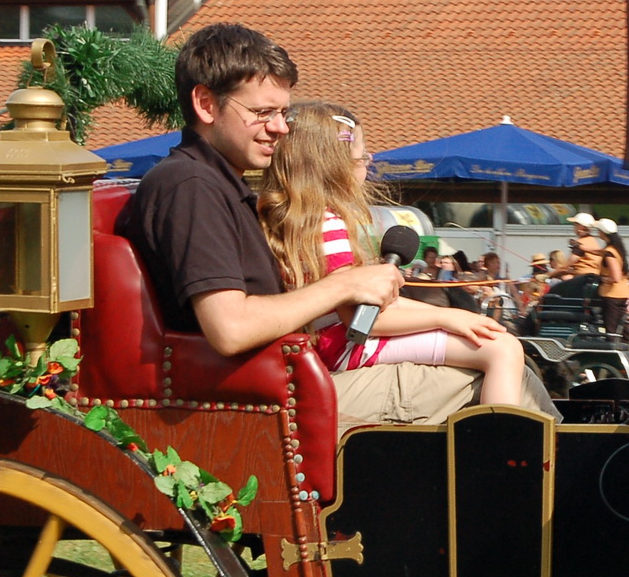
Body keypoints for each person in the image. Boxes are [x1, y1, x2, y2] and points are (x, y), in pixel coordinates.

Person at [115, 23, 551, 430]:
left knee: (515, 374)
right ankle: (519, 501)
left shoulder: (218, 185)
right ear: (206, 104)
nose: (280, 128)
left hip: (279, 380)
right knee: (511, 383)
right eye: (263, 112)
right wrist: (345, 286)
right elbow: (230, 329)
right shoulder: (191, 186)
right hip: (259, 399)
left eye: (283, 113)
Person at [257, 101, 525, 406]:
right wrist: (445, 317)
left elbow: (379, 306)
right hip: (347, 348)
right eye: (362, 156)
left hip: (327, 345)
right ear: (335, 164)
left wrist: (458, 316)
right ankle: (502, 446)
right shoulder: (328, 224)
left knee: (487, 336)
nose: (367, 163)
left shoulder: (295, 221)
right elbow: (361, 320)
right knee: (503, 349)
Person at [594, 218, 629, 335]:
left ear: (602, 233)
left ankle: (613, 351)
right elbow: (599, 251)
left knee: (612, 329)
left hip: (612, 295)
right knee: (623, 330)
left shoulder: (609, 253)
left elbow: (616, 277)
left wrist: (601, 279)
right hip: (621, 293)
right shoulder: (616, 249)